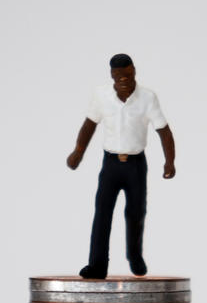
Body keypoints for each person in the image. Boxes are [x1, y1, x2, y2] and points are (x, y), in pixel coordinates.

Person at [66, 53, 176, 279]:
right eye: (118, 77)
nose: (123, 81)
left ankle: (135, 256)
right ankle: (97, 264)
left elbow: (163, 130)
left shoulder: (147, 97)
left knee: (136, 212)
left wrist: (169, 161)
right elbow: (89, 124)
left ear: (134, 70)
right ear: (112, 76)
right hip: (111, 165)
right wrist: (78, 151)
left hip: (136, 165)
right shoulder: (101, 95)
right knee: (102, 212)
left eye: (127, 75)